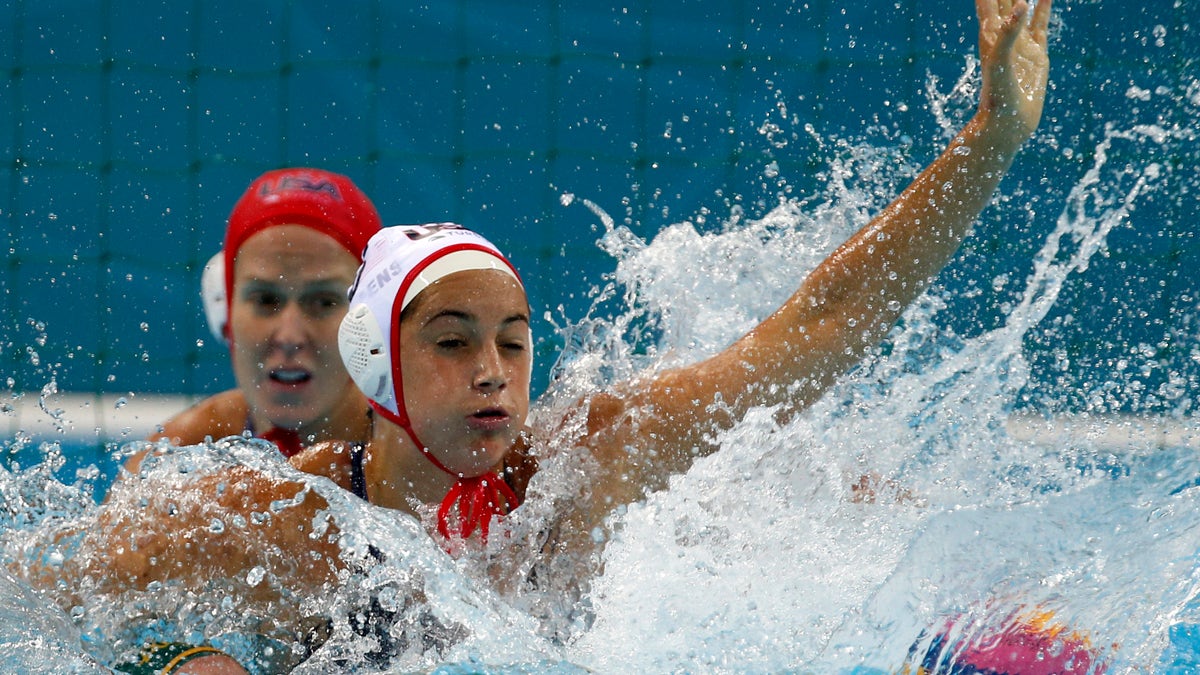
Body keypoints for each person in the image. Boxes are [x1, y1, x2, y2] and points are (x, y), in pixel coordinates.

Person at [55, 0, 1053, 667]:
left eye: (515, 340)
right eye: (452, 341)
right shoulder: (281, 520)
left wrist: (990, 141)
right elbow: (49, 597)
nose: (493, 373)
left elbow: (816, 330)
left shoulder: (580, 463)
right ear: (379, 364)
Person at [135, 167, 382, 463]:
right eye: (266, 300)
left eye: (323, 302)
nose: (289, 337)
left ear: (371, 323)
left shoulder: (417, 462)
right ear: (224, 314)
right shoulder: (180, 454)